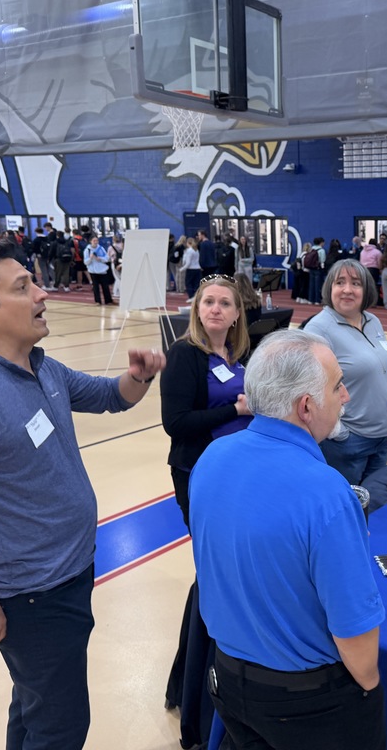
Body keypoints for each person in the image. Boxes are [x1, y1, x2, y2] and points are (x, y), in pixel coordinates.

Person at [0, 242, 165, 750]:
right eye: (23, 287)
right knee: (61, 727)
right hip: (32, 596)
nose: (43, 293)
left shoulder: (41, 367)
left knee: (35, 707)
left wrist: (137, 377)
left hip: (68, 574)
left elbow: (111, 398)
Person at [190, 328, 386, 750]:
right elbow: (357, 640)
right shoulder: (327, 493)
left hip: (227, 678)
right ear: (306, 406)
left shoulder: (211, 458)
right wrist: (367, 688)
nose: (346, 396)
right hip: (308, 704)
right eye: (338, 386)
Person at [160, 275, 253, 748]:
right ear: (197, 310)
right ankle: (194, 682)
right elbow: (174, 424)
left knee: (227, 573)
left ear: (238, 314)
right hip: (200, 478)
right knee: (212, 575)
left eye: (224, 304)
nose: (215, 310)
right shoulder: (185, 356)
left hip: (240, 476)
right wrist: (235, 407)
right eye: (207, 302)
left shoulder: (238, 357)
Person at [305, 259, 387, 484]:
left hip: (383, 437)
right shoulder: (319, 329)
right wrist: (338, 432)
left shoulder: (372, 321)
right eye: (340, 282)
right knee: (347, 509)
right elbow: (308, 388)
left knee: (374, 504)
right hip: (349, 443)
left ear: (365, 289)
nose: (347, 289)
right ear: (330, 288)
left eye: (355, 283)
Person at [84, 235, 113, 305]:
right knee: (95, 287)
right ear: (90, 241)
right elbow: (86, 262)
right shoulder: (87, 250)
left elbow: (107, 258)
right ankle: (98, 301)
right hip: (93, 271)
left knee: (105, 286)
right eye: (94, 240)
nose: (96, 242)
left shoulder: (101, 248)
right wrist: (90, 258)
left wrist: (100, 259)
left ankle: (108, 300)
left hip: (102, 270)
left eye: (97, 240)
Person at [308, 236, 327, 305]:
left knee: (311, 284)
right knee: (318, 285)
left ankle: (310, 299)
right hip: (318, 269)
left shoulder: (311, 249)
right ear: (321, 243)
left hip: (311, 268)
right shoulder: (322, 250)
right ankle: (317, 300)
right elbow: (322, 260)